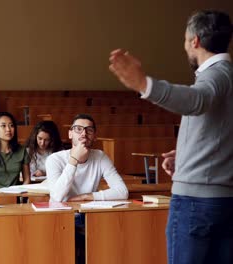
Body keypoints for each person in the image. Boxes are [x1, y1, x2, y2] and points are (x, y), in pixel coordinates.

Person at [109, 10, 233, 264]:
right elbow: (222, 133)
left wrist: (145, 84)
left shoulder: (217, 75)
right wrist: (186, 153)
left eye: (185, 41)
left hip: (197, 203)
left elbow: (197, 100)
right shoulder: (226, 76)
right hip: (222, 201)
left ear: (195, 41)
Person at [46, 114, 128, 202]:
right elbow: (57, 197)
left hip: (89, 210)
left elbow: (122, 191)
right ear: (70, 134)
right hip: (62, 213)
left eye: (89, 130)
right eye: (78, 129)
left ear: (94, 136)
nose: (84, 134)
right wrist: (74, 159)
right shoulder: (54, 159)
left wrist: (84, 196)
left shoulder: (100, 157)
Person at [0, 112, 31, 188]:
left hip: (14, 195)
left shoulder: (21, 150)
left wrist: (20, 194)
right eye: (3, 126)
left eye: (11, 125)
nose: (8, 129)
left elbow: (27, 179)